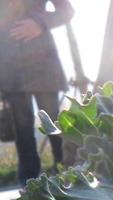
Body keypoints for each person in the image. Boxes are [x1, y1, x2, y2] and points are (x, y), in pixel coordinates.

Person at [0, 0, 74, 186]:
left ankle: (69, 179)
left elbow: (67, 10)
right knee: (21, 132)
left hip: (43, 65)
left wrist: (40, 23)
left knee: (55, 125)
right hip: (9, 70)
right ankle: (30, 188)